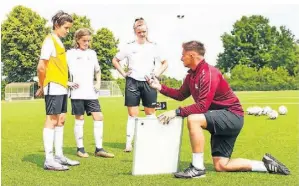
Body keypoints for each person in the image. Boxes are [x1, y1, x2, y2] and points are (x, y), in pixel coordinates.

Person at [146, 40, 290, 178]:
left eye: (183, 54)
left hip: (232, 116)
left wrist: (176, 112)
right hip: (219, 117)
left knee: (193, 119)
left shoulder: (209, 73)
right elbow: (180, 94)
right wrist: (159, 87)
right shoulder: (191, 76)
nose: (180, 58)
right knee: (221, 165)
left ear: (192, 55)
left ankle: (197, 168)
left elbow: (202, 106)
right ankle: (266, 165)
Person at [112, 17, 168, 152]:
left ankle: (150, 140)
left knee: (150, 113)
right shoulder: (129, 46)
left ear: (147, 30)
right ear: (135, 31)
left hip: (149, 83)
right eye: (139, 32)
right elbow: (115, 60)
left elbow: (165, 63)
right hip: (132, 82)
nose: (142, 34)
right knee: (133, 114)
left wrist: (157, 74)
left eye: (144, 31)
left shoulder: (154, 46)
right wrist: (123, 73)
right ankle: (129, 143)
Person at [36, 10, 79, 171]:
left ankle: (59, 155)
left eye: (69, 28)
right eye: (66, 28)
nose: (68, 31)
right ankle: (49, 159)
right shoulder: (49, 41)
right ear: (56, 25)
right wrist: (42, 85)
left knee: (61, 119)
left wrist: (66, 82)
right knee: (52, 120)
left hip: (61, 86)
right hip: (52, 86)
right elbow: (41, 67)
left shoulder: (59, 42)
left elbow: (57, 67)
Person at [67, 28, 114, 158]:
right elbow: (58, 69)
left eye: (88, 40)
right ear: (77, 40)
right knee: (79, 118)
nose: (86, 43)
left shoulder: (92, 53)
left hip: (91, 93)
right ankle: (80, 149)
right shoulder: (70, 54)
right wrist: (67, 82)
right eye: (84, 40)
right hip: (76, 93)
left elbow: (97, 70)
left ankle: (99, 149)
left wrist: (98, 82)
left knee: (99, 116)